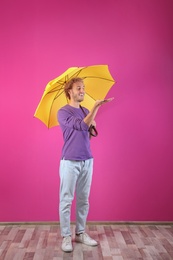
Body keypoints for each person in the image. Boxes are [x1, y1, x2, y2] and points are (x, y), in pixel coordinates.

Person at [57, 77, 113, 252]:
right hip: (69, 161)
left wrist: (91, 125)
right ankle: (66, 236)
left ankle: (80, 233)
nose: (82, 90)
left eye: (83, 87)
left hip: (87, 160)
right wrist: (96, 108)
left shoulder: (85, 110)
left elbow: (85, 135)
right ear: (70, 92)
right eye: (78, 88)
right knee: (66, 200)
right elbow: (80, 126)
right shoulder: (63, 112)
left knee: (83, 200)